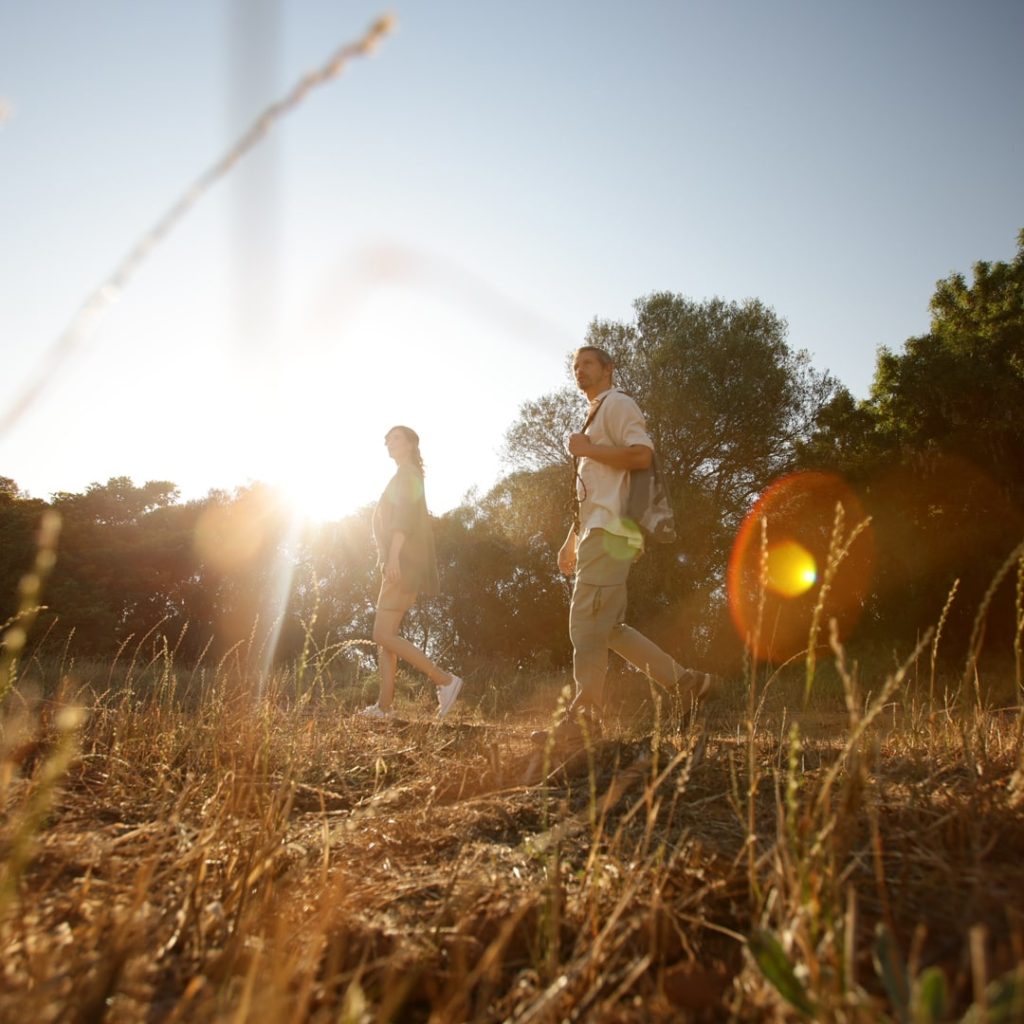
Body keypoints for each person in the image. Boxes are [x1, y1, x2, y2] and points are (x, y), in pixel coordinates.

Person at [548, 346, 714, 744]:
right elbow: (595, 493)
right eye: (575, 366)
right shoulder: (592, 418)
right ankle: (687, 683)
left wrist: (588, 450)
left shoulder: (617, 404)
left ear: (608, 368)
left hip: (611, 533)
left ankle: (584, 720)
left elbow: (642, 456)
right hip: (597, 532)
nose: (579, 371)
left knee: (585, 623)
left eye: (587, 363)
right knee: (607, 629)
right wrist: (570, 541)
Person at [359, 425, 463, 721]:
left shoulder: (407, 476)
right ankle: (385, 706)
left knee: (381, 633)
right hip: (398, 561)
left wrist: (393, 558)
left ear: (411, 444)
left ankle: (445, 680)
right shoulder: (404, 475)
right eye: (387, 439)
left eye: (396, 438)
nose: (389, 442)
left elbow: (402, 520)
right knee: (386, 636)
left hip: (402, 562)